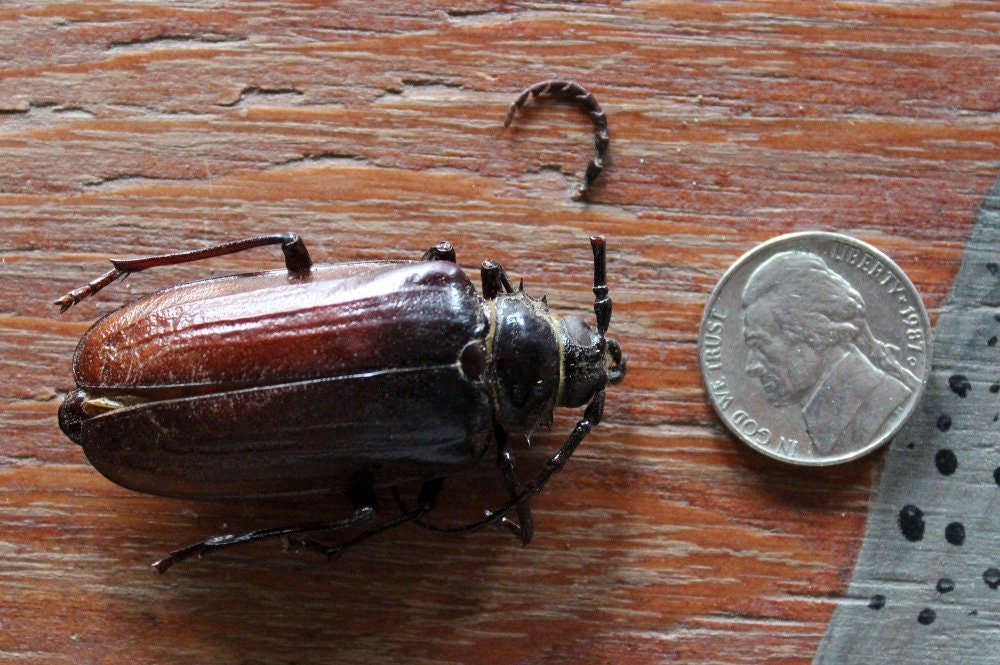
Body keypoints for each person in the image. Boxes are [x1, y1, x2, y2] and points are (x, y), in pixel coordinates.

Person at [741, 251, 915, 456]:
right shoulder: (846, 414)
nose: (752, 367)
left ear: (815, 332)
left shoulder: (878, 410)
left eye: (760, 344)